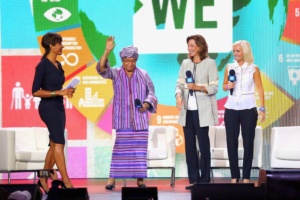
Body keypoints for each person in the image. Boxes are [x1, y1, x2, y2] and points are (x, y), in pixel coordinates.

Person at [96, 36, 157, 190]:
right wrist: (107, 51)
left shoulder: (143, 74)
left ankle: (140, 181)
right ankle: (112, 179)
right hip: (122, 120)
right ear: (122, 60)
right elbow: (101, 69)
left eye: (133, 60)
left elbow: (152, 93)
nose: (130, 63)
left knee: (139, 151)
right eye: (127, 60)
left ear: (136, 60)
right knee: (119, 150)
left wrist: (146, 103)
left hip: (140, 120)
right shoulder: (116, 73)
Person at [32, 32, 75, 193]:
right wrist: (58, 93)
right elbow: (35, 91)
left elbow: (56, 89)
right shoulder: (42, 65)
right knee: (59, 143)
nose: (62, 46)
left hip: (59, 106)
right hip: (48, 108)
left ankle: (43, 177)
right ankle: (66, 181)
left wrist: (66, 91)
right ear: (51, 45)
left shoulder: (59, 64)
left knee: (54, 144)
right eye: (59, 43)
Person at [175, 34, 219, 190]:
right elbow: (180, 84)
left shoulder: (210, 63)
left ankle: (205, 180)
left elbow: (214, 87)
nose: (189, 48)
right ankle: (194, 180)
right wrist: (178, 96)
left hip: (203, 111)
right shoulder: (185, 63)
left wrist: (198, 87)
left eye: (192, 45)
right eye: (188, 45)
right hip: (187, 111)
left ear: (200, 46)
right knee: (190, 147)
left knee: (203, 145)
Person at [222, 40, 265, 183]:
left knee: (248, 142)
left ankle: (246, 177)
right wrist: (228, 85)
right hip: (231, 107)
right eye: (234, 51)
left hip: (248, 108)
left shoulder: (253, 68)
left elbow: (259, 89)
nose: (235, 54)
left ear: (245, 52)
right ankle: (235, 176)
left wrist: (262, 109)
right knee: (231, 142)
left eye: (238, 51)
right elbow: (224, 87)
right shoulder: (229, 67)